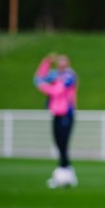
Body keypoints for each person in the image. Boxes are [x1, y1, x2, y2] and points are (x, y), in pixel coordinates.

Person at [33, 54, 78, 188]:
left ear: (68, 62)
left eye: (64, 60)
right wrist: (45, 62)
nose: (61, 63)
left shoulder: (69, 75)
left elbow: (57, 91)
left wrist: (43, 86)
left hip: (67, 114)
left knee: (63, 145)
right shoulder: (54, 74)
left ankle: (63, 174)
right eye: (59, 61)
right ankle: (66, 174)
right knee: (58, 144)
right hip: (56, 113)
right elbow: (38, 78)